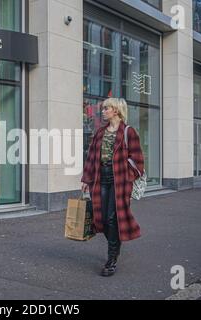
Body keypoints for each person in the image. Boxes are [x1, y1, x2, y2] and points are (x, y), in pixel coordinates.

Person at [81, 98, 145, 277]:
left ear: (116, 111)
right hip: (100, 178)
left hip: (119, 180)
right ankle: (115, 245)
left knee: (111, 218)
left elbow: (138, 160)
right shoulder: (100, 132)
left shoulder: (128, 131)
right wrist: (86, 179)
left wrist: (127, 176)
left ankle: (111, 259)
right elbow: (92, 157)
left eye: (106, 108)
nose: (103, 111)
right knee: (100, 218)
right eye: (104, 108)